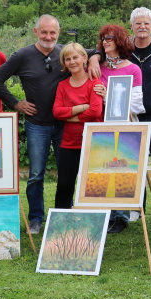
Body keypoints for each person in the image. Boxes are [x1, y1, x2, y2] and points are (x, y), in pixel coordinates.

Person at [91, 7, 151, 226]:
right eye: (138, 23)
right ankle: (137, 209)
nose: (142, 27)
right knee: (132, 165)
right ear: (131, 26)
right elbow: (101, 49)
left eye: (146, 23)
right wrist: (93, 58)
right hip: (126, 118)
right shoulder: (123, 46)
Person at [0, 14, 67, 234]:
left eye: (52, 32)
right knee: (36, 174)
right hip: (37, 124)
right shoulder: (22, 56)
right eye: (44, 32)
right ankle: (35, 218)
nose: (48, 36)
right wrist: (15, 103)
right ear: (35, 32)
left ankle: (64, 216)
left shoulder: (66, 53)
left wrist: (95, 58)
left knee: (66, 172)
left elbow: (92, 53)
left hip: (64, 123)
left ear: (58, 33)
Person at [94, 23, 145, 233]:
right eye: (103, 38)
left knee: (121, 170)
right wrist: (93, 59)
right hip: (100, 126)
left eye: (110, 38)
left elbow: (137, 104)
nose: (105, 41)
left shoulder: (133, 69)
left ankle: (121, 216)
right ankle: (105, 214)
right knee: (102, 170)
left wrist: (108, 96)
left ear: (120, 41)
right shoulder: (97, 67)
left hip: (125, 127)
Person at [52, 43, 103, 210]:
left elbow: (95, 111)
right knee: (64, 184)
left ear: (84, 58)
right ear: (64, 63)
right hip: (69, 142)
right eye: (67, 59)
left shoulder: (94, 83)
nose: (72, 61)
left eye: (75, 57)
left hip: (93, 142)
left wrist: (71, 117)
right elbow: (57, 112)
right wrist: (81, 107)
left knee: (92, 184)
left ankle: (93, 218)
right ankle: (61, 219)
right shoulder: (62, 85)